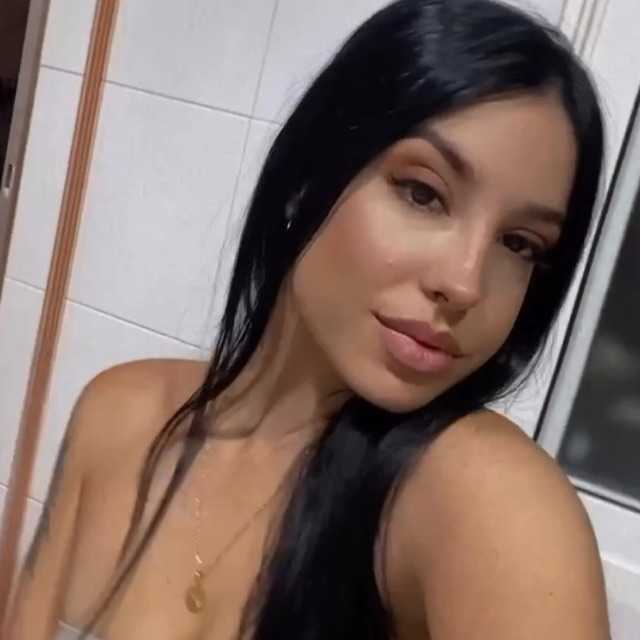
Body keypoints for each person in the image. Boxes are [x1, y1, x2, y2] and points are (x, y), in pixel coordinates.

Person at [5, 0, 611, 638]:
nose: (465, 284)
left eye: (519, 244)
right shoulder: (118, 415)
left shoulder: (484, 499)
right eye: (423, 193)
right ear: (307, 177)